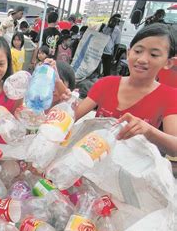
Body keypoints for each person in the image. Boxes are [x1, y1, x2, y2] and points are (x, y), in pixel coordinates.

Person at [75, 23, 177, 157]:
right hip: (92, 159)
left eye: (153, 54)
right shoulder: (106, 83)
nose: (142, 59)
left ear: (168, 63)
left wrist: (148, 130)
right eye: (138, 51)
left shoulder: (170, 96)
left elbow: (174, 147)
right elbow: (74, 115)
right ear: (129, 53)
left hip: (132, 168)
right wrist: (61, 95)